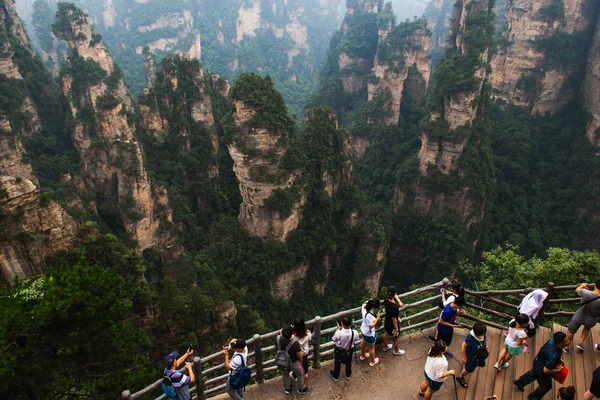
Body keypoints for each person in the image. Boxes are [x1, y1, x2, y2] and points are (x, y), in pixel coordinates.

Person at [514, 331, 570, 400]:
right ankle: (533, 397)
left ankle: (520, 382)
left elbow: (548, 353)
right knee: (546, 386)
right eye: (566, 340)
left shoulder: (552, 341)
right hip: (542, 369)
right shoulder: (554, 355)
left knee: (533, 373)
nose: (568, 341)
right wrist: (558, 370)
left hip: (538, 360)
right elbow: (546, 370)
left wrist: (559, 359)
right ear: (561, 343)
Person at [564, 279, 600, 353]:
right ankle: (581, 342)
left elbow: (577, 290)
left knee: (571, 331)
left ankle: (566, 347)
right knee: (587, 328)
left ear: (595, 285)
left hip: (580, 315)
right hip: (592, 318)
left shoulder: (586, 293)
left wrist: (582, 285)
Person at [276, 325, 312, 395]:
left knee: (285, 374)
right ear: (292, 334)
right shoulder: (295, 343)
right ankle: (301, 389)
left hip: (283, 361)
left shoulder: (278, 338)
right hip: (293, 362)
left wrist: (281, 335)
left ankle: (287, 389)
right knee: (300, 374)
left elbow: (276, 346)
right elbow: (300, 355)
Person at [456, 322, 487, 388]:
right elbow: (463, 345)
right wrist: (464, 357)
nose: (483, 335)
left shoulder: (482, 333)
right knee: (469, 369)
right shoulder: (470, 338)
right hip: (472, 357)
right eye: (481, 334)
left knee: (480, 363)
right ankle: (460, 376)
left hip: (479, 354)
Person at [330, 316, 360, 381]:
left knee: (337, 363)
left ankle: (336, 376)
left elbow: (333, 339)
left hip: (339, 350)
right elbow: (357, 338)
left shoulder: (339, 332)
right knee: (348, 362)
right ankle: (348, 375)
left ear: (342, 324)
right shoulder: (354, 332)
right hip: (349, 350)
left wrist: (338, 329)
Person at [382, 286, 406, 356]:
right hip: (393, 324)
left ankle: (385, 347)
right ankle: (396, 350)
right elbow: (394, 319)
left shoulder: (386, 299)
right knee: (396, 337)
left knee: (386, 333)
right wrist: (397, 329)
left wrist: (399, 301)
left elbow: (394, 295)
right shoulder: (394, 307)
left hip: (387, 322)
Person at [360, 298, 383, 366]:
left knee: (363, 341)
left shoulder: (364, 306)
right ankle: (372, 361)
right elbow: (371, 326)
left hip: (363, 330)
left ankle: (363, 355)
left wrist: (372, 300)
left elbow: (367, 301)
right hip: (369, 333)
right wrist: (378, 317)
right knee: (371, 347)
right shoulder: (369, 315)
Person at [290, 318, 311, 382]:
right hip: (305, 352)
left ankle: (294, 376)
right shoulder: (308, 333)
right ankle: (306, 372)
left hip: (298, 354)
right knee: (305, 362)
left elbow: (291, 341)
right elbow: (309, 339)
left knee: (297, 365)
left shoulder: (293, 337)